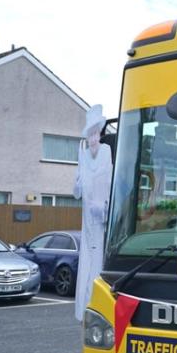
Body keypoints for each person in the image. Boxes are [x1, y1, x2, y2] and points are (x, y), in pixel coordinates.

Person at [73, 105, 113, 322]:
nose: (92, 138)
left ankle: (97, 300)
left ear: (100, 134)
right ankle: (85, 302)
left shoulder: (106, 153)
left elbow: (108, 182)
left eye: (95, 133)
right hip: (87, 216)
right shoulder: (83, 155)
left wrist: (104, 207)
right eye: (89, 135)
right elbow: (77, 192)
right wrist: (77, 181)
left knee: (98, 256)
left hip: (101, 215)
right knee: (87, 256)